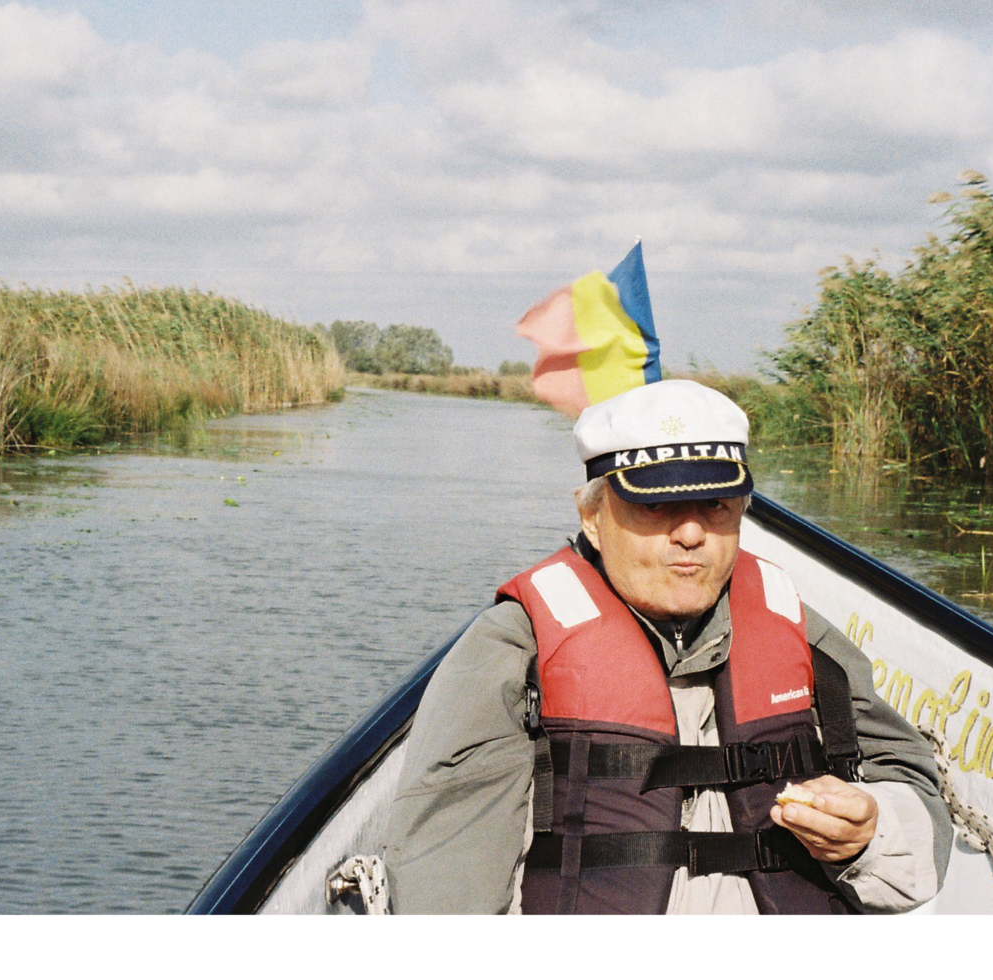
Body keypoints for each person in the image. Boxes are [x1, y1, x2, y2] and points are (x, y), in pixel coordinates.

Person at [381, 379, 951, 915]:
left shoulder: (802, 633)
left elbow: (910, 788)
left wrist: (871, 831)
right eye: (655, 506)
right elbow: (447, 870)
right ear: (593, 516)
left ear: (743, 509)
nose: (691, 533)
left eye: (716, 505)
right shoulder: (513, 648)